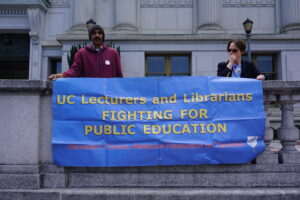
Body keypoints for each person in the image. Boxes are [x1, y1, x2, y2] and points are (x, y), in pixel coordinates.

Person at [49, 24, 123, 80]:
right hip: (90, 95)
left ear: (103, 36)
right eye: (94, 33)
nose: (97, 35)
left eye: (100, 33)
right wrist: (62, 75)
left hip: (109, 94)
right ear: (90, 36)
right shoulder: (82, 53)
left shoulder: (113, 53)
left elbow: (119, 75)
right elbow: (75, 71)